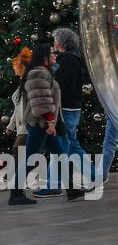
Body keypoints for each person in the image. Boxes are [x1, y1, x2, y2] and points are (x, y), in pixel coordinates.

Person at [20, 44, 86, 201]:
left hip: (46, 123)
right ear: (44, 57)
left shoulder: (45, 72)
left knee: (60, 154)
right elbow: (43, 102)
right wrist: (50, 123)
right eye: (51, 54)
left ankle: (71, 189)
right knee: (30, 157)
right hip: (40, 123)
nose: (55, 56)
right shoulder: (38, 73)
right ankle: (16, 193)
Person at [51, 29, 90, 183]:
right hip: (72, 106)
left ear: (60, 42)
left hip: (67, 107)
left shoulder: (67, 60)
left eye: (55, 39)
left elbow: (62, 85)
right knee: (70, 144)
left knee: (62, 145)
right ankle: (93, 175)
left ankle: (52, 183)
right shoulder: (73, 58)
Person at [5, 48, 37, 206]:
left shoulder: (27, 82)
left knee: (22, 157)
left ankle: (16, 192)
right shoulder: (23, 82)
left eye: (15, 66)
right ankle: (16, 193)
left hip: (26, 128)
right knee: (21, 158)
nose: (14, 68)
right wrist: (11, 126)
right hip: (22, 128)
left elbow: (25, 107)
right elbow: (17, 108)